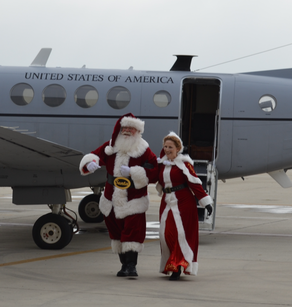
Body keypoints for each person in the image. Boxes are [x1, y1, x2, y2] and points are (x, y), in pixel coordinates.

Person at [79, 113, 158, 277]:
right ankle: (124, 265)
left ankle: (131, 266)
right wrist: (90, 163)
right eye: (125, 127)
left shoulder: (144, 150)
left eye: (131, 128)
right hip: (111, 198)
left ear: (138, 131)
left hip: (133, 200)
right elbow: (95, 155)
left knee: (132, 233)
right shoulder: (110, 146)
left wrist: (134, 172)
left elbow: (154, 171)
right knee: (116, 233)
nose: (127, 131)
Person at [156, 132, 213, 280]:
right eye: (165, 146)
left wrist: (206, 202)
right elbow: (151, 176)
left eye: (170, 147)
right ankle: (171, 263)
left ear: (178, 148)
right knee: (166, 234)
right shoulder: (161, 164)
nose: (167, 149)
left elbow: (195, 183)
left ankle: (177, 266)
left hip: (184, 203)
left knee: (181, 235)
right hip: (166, 202)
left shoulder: (184, 164)